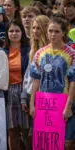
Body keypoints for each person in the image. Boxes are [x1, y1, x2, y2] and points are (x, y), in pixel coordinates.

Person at [29, 16, 75, 150]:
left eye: (56, 31)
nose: (53, 34)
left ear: (63, 33)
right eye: (50, 31)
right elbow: (36, 79)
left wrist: (68, 106)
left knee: (66, 143)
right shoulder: (39, 53)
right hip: (45, 105)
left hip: (64, 103)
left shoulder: (71, 54)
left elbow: (73, 81)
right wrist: (32, 104)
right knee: (47, 142)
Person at [21, 15, 50, 150]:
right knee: (31, 134)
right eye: (33, 28)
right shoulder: (33, 48)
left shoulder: (52, 50)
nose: (35, 31)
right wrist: (25, 97)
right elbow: (29, 77)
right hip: (31, 96)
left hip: (48, 99)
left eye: (39, 28)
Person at [4, 19, 30, 150]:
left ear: (22, 32)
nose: (14, 33)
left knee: (26, 130)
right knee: (12, 130)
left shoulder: (28, 49)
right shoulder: (2, 51)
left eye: (17, 31)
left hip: (24, 91)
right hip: (8, 93)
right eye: (11, 31)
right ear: (7, 33)